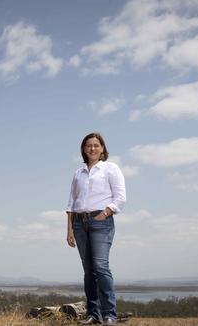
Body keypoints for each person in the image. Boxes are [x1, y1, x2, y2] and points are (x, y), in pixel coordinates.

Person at [66, 132, 126, 325]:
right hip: (79, 223)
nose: (92, 148)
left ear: (102, 149)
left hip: (101, 221)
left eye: (96, 145)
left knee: (101, 267)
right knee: (88, 270)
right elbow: (71, 204)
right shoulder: (78, 173)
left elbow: (120, 198)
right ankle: (94, 315)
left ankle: (110, 315)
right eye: (88, 145)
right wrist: (69, 230)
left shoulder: (110, 168)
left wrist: (106, 213)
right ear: (84, 149)